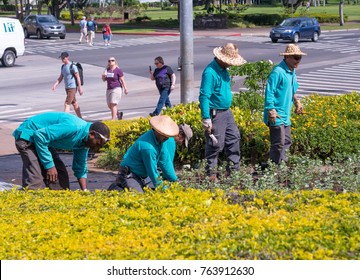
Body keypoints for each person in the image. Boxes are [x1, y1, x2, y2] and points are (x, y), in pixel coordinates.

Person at [13, 112, 110, 191]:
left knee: (60, 177)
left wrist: (84, 190)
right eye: (97, 144)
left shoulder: (85, 141)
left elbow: (80, 166)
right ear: (92, 134)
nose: (96, 148)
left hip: (44, 141)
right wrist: (49, 166)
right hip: (28, 136)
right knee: (34, 179)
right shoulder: (73, 127)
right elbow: (40, 135)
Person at [199, 43, 246, 181]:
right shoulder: (210, 72)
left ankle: (234, 171)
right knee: (215, 144)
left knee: (234, 138)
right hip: (216, 113)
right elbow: (204, 96)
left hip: (226, 112)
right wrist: (206, 118)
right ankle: (211, 175)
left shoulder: (224, 70)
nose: (230, 64)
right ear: (221, 58)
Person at [109, 115, 179, 193]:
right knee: (138, 196)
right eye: (164, 134)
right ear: (157, 131)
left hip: (143, 175)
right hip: (130, 175)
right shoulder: (148, 148)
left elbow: (166, 163)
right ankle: (117, 187)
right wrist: (163, 189)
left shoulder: (161, 141)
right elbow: (152, 172)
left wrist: (175, 181)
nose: (167, 137)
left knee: (152, 190)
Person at [263, 44, 305, 165]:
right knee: (279, 143)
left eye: (299, 58)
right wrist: (271, 109)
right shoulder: (278, 72)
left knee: (287, 141)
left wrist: (297, 101)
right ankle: (274, 168)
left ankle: (281, 165)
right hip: (276, 114)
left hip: (285, 115)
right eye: (296, 57)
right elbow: (269, 92)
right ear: (287, 57)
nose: (298, 61)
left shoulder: (292, 71)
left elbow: (291, 90)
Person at [52, 52, 83, 118]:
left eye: (63, 58)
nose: (62, 60)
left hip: (72, 87)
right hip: (67, 88)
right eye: (61, 58)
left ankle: (65, 119)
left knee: (66, 104)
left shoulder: (72, 66)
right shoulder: (63, 67)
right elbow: (61, 77)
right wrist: (55, 84)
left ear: (67, 57)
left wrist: (80, 88)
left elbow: (78, 77)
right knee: (74, 103)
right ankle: (81, 119)